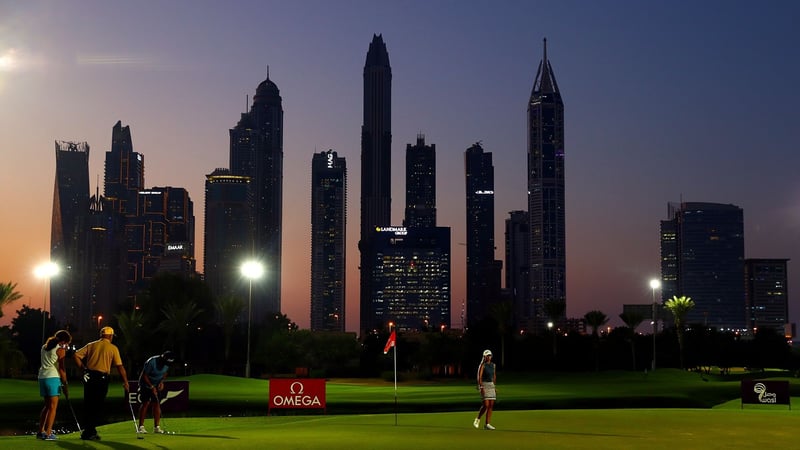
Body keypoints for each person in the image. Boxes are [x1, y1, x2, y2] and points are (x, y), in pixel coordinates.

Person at [73, 326, 129, 441]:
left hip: (89, 376)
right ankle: (90, 431)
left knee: (88, 404)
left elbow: (76, 355)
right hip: (102, 378)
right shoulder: (113, 348)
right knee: (97, 405)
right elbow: (120, 366)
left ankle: (88, 431)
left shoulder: (91, 345)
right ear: (110, 336)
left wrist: (83, 369)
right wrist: (125, 381)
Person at [37, 330, 72, 440]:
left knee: (47, 406)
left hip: (42, 377)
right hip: (52, 377)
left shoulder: (44, 347)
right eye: (66, 343)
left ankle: (40, 431)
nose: (66, 345)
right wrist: (65, 383)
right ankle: (48, 433)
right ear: (63, 341)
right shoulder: (60, 350)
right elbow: (62, 369)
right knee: (53, 407)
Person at [137, 350, 175, 434]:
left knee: (156, 403)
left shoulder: (167, 364)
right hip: (145, 384)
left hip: (156, 384)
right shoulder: (151, 361)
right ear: (163, 358)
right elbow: (144, 375)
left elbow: (165, 373)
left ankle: (156, 427)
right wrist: (151, 386)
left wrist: (161, 382)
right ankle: (141, 427)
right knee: (146, 403)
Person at [473, 349, 497, 430]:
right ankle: (477, 419)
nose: (488, 357)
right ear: (484, 357)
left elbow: (494, 376)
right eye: (487, 356)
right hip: (484, 385)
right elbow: (479, 377)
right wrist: (481, 387)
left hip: (491, 385)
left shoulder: (493, 365)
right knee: (486, 405)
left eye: (489, 355)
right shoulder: (482, 365)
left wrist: (494, 386)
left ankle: (487, 424)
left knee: (491, 405)